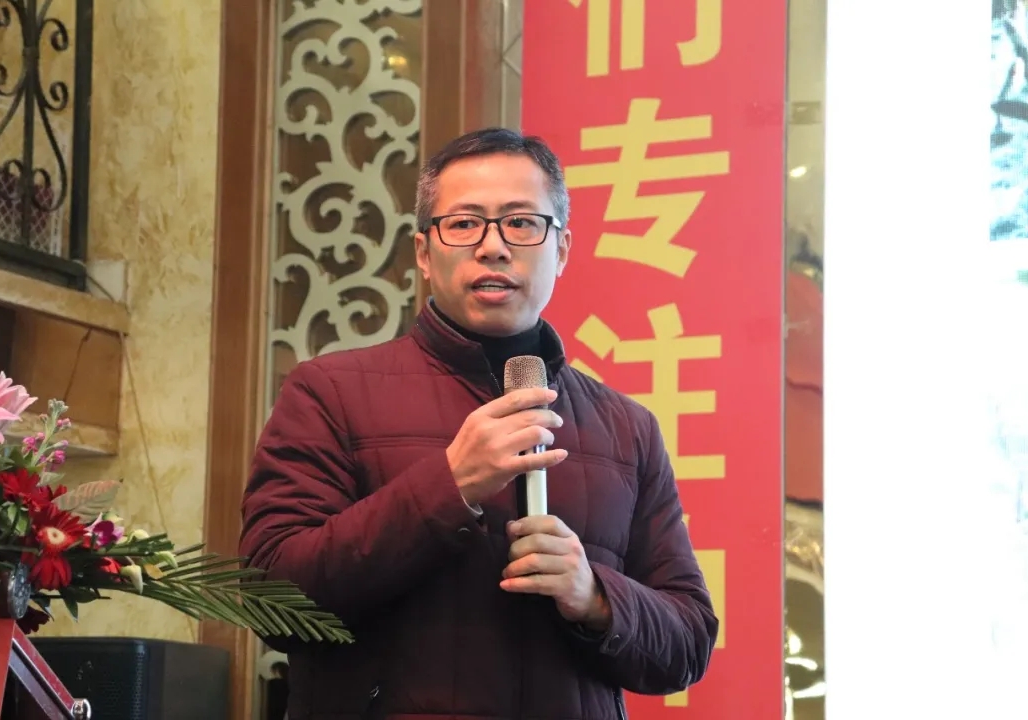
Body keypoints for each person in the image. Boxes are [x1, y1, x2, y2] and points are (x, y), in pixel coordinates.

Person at [239, 128, 718, 720]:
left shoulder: (629, 428)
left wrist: (595, 595)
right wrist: (449, 485)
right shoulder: (329, 392)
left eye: (521, 223)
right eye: (465, 224)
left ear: (562, 249)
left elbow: (689, 642)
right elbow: (269, 600)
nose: (493, 247)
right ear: (423, 252)